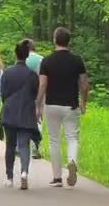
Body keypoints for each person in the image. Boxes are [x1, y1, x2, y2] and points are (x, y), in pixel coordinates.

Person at [36, 27, 89, 188]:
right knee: (72, 137)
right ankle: (72, 161)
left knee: (54, 141)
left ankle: (57, 178)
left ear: (54, 40)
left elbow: (43, 84)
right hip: (71, 106)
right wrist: (83, 102)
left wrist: (38, 104)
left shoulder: (47, 61)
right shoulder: (77, 60)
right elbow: (84, 84)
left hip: (51, 105)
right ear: (69, 41)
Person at [0, 40, 40, 190]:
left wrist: (8, 103)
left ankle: (9, 178)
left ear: (15, 54)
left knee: (10, 145)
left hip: (10, 112)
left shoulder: (8, 72)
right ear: (27, 55)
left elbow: (3, 93)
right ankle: (24, 172)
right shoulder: (32, 75)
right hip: (26, 112)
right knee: (24, 144)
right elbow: (35, 94)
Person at [25, 38, 44, 159]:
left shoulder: (21, 58)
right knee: (38, 119)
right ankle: (35, 147)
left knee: (22, 118)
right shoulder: (41, 59)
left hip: (22, 94)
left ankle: (20, 145)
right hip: (38, 93)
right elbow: (44, 79)